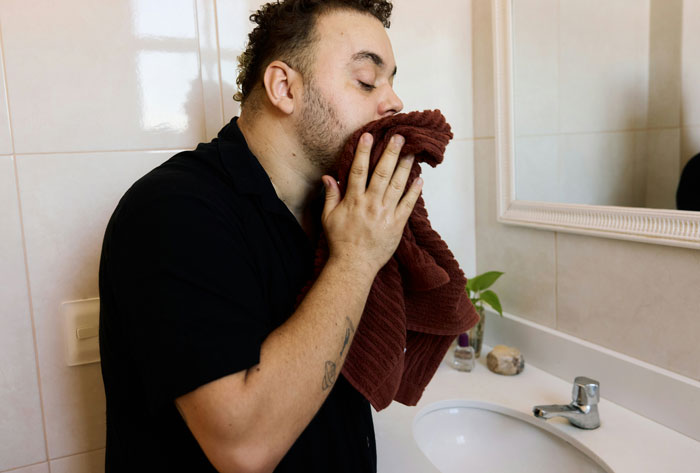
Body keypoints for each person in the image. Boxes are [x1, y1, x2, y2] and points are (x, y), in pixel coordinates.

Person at [98, 1, 421, 471]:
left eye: (392, 81)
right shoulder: (171, 211)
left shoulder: (335, 212)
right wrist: (355, 260)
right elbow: (242, 448)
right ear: (283, 87)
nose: (394, 102)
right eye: (367, 80)